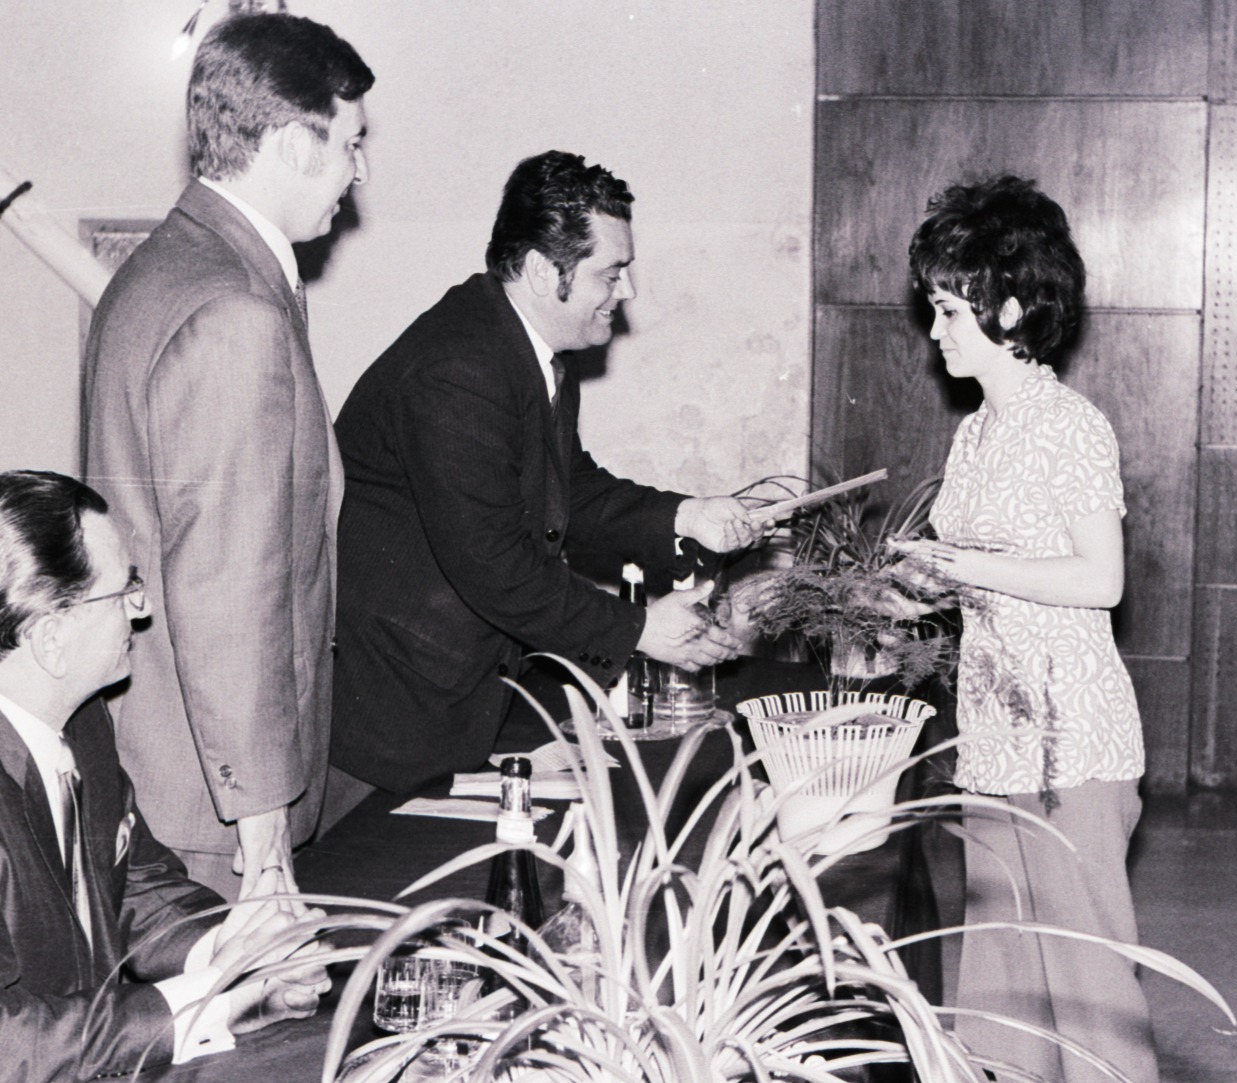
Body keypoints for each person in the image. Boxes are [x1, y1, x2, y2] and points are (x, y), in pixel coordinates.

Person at [326, 150, 760, 813]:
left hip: (458, 702)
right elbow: (494, 563)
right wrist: (639, 628)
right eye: (610, 273)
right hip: (392, 725)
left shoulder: (523, 351)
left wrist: (687, 514)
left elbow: (570, 493)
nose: (628, 292)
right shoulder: (458, 369)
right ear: (538, 270)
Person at [80, 12, 374, 901]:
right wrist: (264, 840)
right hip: (215, 819)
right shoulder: (236, 311)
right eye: (352, 144)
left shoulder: (161, 268)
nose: (359, 174)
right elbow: (228, 588)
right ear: (291, 143)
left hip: (166, 770)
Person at [889, 176, 1159, 1083]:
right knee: (1001, 995)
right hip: (995, 737)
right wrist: (907, 588)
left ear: (1008, 307)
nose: (935, 334)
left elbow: (1099, 578)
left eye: (949, 313)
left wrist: (964, 566)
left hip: (1068, 744)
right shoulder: (976, 433)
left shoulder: (1072, 428)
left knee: (1087, 1001)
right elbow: (976, 577)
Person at [0, 470, 331, 1080]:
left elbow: (132, 883)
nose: (143, 606)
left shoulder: (84, 722)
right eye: (124, 590)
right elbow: (9, 1044)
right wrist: (209, 999)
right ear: (51, 639)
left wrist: (241, 949)